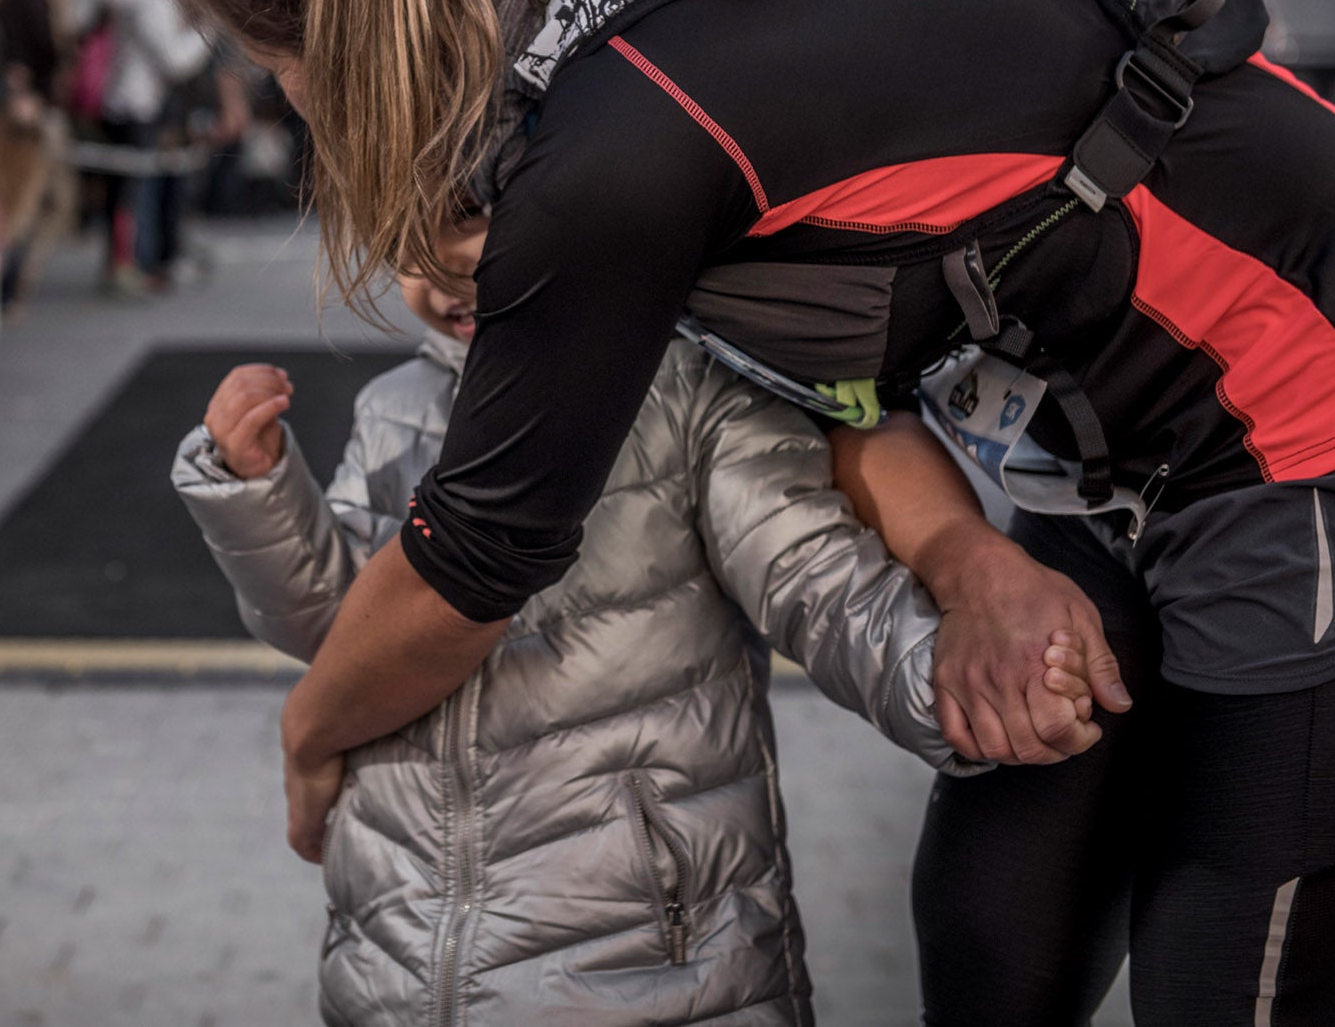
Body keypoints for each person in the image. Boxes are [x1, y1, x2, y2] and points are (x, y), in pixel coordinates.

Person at [151, 0, 1335, 1025]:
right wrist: (970, 566)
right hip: (1109, 432)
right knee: (998, 921)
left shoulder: (611, 138)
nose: (294, 112)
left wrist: (313, 733)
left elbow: (473, 564)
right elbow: (830, 368)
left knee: (1232, 978)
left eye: (280, 71)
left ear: (350, 33)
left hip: (1325, 391)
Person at [174, 210, 1091, 1024]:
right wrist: (257, 497)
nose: (442, 270)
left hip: (640, 963)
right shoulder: (393, 408)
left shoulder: (685, 385)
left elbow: (813, 572)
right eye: (406, 245)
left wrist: (944, 679)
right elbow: (339, 632)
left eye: (475, 219)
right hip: (396, 946)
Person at [77, 0, 207, 290]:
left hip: (136, 104)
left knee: (133, 189)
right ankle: (128, 265)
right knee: (133, 191)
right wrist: (204, 31)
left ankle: (131, 263)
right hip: (133, 105)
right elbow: (174, 61)